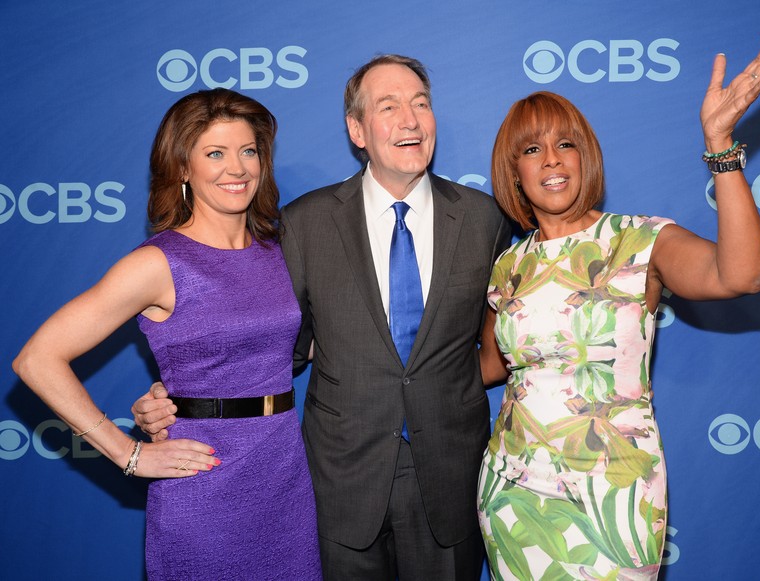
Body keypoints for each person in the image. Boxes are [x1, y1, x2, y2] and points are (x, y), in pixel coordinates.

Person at [133, 55, 512, 579]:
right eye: (389, 106)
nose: (411, 119)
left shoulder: (484, 219)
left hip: (450, 476)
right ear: (357, 130)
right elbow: (274, 345)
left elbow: (508, 341)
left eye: (420, 104)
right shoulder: (303, 225)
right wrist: (178, 398)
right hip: (338, 482)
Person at [476, 33, 760, 580]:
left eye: (565, 145)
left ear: (587, 157)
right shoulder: (509, 265)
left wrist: (720, 144)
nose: (551, 160)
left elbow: (742, 274)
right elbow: (486, 366)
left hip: (614, 490)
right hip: (514, 494)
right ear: (514, 173)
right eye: (532, 149)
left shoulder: (640, 240)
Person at [13, 88, 321, 580]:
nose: (236, 168)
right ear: (181, 167)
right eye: (214, 153)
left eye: (248, 151)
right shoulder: (158, 263)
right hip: (203, 481)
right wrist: (128, 454)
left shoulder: (279, 250)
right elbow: (37, 359)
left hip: (284, 475)